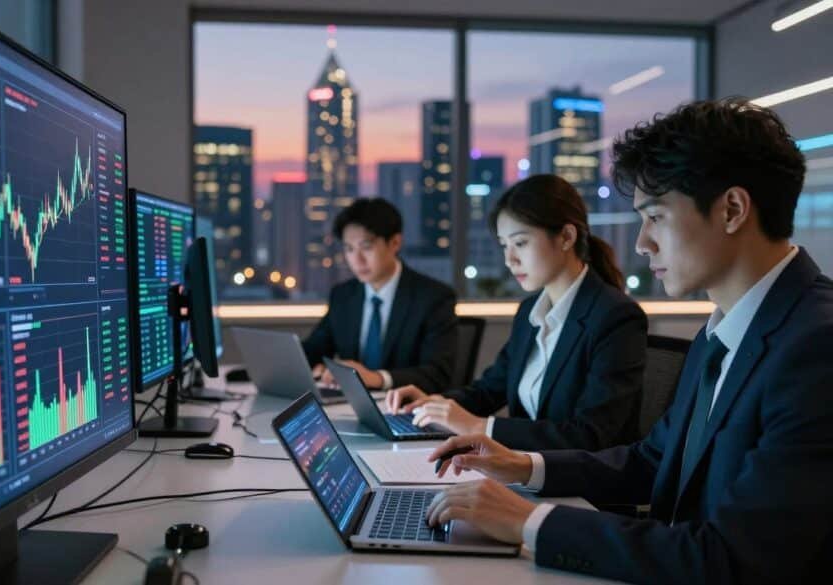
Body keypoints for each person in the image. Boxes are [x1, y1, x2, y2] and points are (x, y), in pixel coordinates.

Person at [425, 98, 832, 583]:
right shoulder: (723, 329)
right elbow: (652, 460)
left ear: (732, 209)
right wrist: (522, 465)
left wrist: (526, 521)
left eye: (655, 217)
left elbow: (732, 559)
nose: (642, 243)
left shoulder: (816, 347)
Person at [385, 174, 647, 451]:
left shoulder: (615, 317)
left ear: (566, 237)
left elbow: (591, 434)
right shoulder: (529, 312)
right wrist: (433, 402)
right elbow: (489, 390)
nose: (510, 260)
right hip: (520, 470)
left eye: (520, 243)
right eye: (504, 245)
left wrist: (478, 427)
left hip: (578, 486)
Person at [301, 197, 458, 392]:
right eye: (349, 249)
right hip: (348, 408)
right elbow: (313, 350)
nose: (356, 259)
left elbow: (438, 374)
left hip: (406, 410)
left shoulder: (433, 298)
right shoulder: (343, 295)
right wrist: (312, 369)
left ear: (394, 243)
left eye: (366, 247)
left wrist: (376, 378)